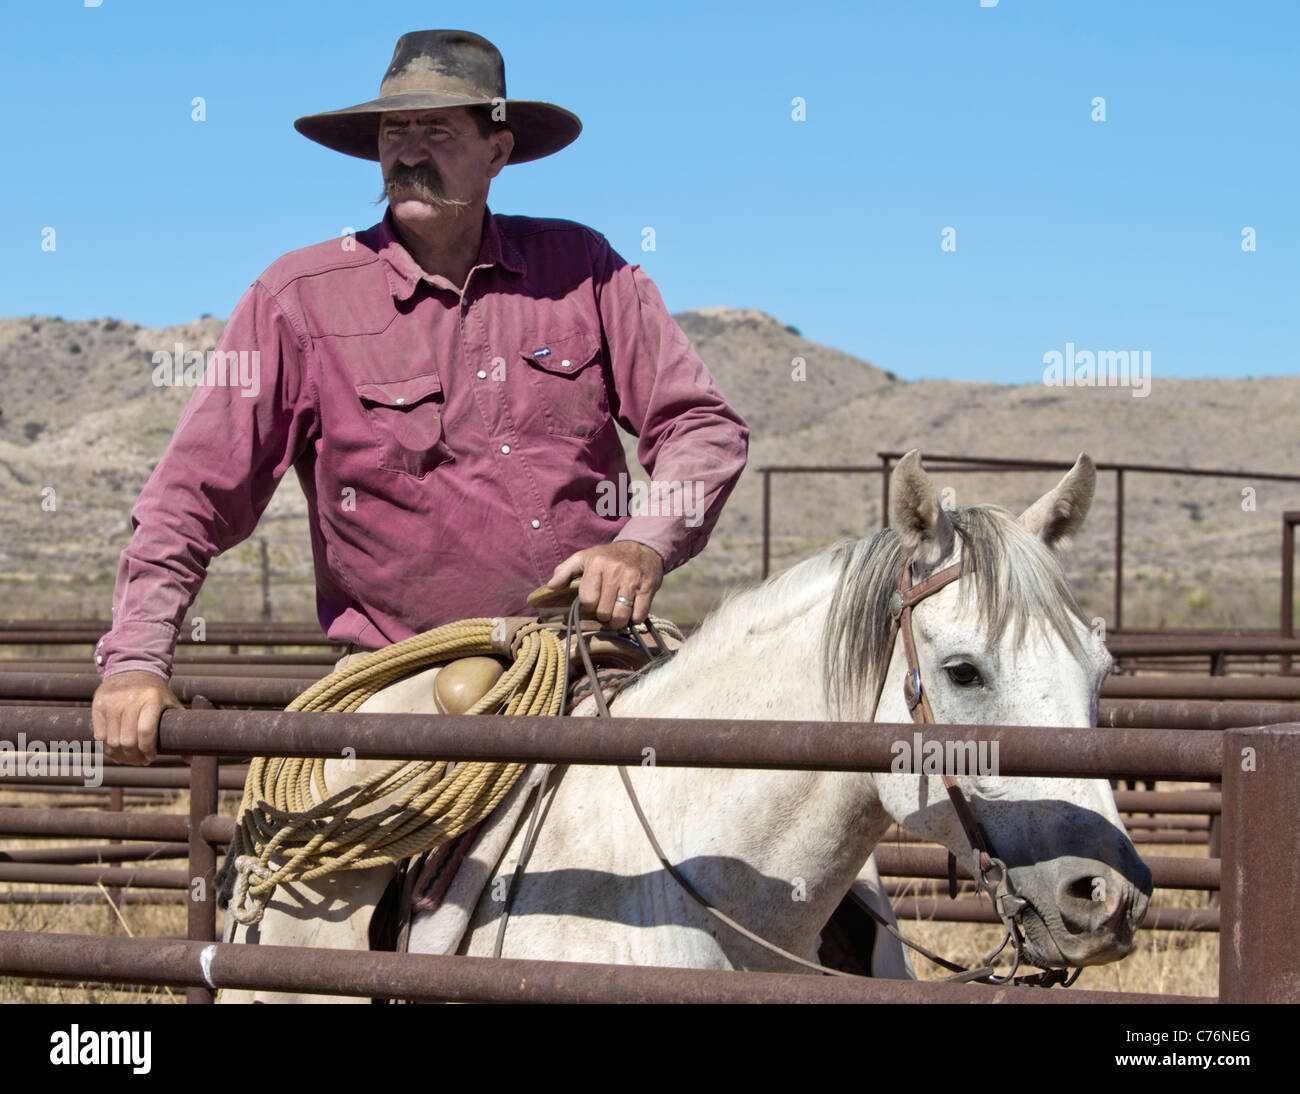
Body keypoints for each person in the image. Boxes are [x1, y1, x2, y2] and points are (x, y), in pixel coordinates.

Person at [91, 29, 749, 764]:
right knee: (318, 874)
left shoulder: (583, 270)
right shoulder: (299, 301)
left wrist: (640, 546)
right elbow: (192, 494)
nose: (408, 152)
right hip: (400, 684)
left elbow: (701, 426)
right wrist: (136, 665)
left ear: (497, 151)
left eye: (437, 129)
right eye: (394, 131)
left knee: (759, 830)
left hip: (592, 659)